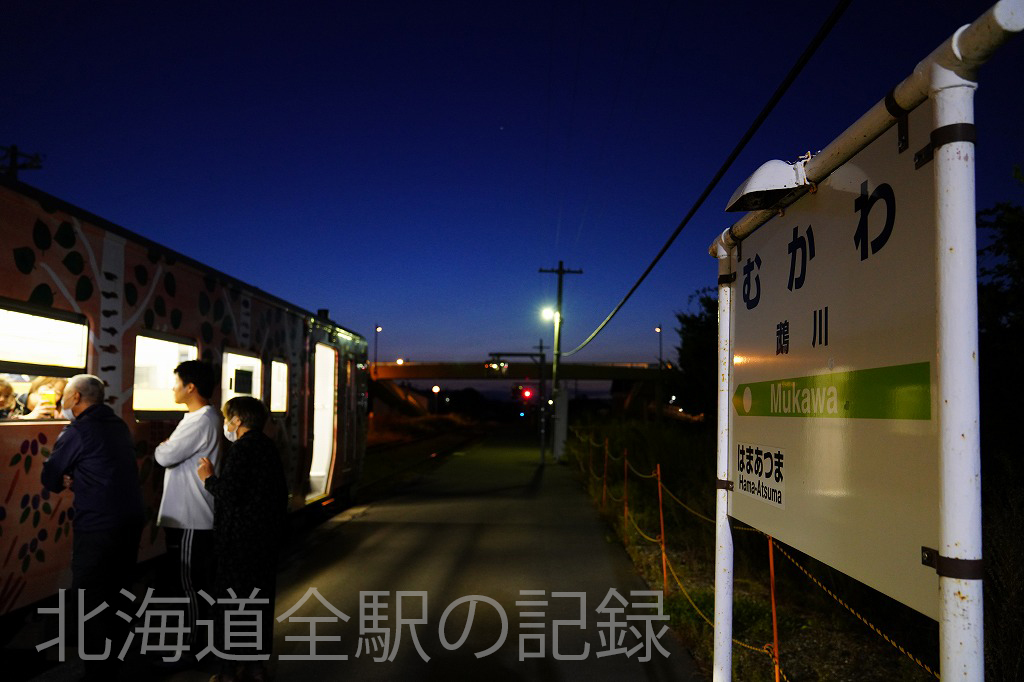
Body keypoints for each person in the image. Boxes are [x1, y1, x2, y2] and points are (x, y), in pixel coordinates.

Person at [40, 374, 144, 681]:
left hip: (98, 524)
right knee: (119, 592)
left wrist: (65, 478)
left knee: (91, 599)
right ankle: (119, 663)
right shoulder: (119, 425)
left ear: (75, 398)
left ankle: (98, 672)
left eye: (65, 395)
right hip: (130, 521)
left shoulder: (78, 430)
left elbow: (51, 475)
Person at [198, 396, 287, 682]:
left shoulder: (241, 449)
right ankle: (255, 666)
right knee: (258, 602)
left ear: (237, 420)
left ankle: (227, 670)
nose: (226, 424)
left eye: (228, 419)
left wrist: (208, 478)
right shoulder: (268, 448)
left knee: (231, 604)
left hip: (238, 544)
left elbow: (231, 493)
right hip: (264, 542)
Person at [154, 360, 221, 657]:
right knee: (193, 583)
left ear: (190, 387)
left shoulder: (199, 420)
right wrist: (168, 445)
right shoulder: (205, 417)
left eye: (176, 383)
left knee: (190, 585)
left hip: (192, 516)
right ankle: (197, 643)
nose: (173, 388)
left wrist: (163, 446)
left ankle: (194, 647)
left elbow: (165, 456)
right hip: (191, 515)